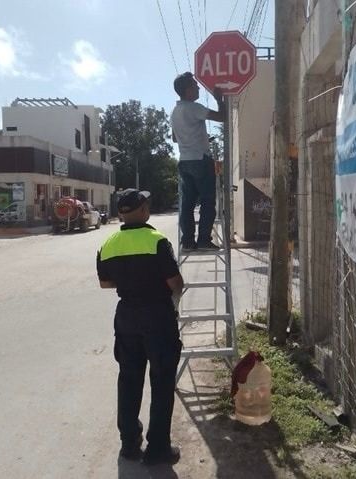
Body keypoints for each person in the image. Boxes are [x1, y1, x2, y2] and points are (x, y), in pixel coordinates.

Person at [96, 188, 183, 465]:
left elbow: (105, 283)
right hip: (157, 315)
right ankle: (158, 448)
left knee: (129, 379)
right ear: (143, 210)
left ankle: (129, 443)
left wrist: (130, 282)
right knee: (162, 379)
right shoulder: (156, 240)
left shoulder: (108, 243)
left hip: (126, 316)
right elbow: (175, 283)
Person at [171, 71, 225, 251]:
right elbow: (222, 117)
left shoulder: (175, 111)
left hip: (184, 162)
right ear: (187, 91)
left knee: (187, 204)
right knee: (208, 201)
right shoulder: (193, 107)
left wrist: (194, 138)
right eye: (195, 85)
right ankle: (203, 240)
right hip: (201, 160)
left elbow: (174, 138)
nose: (198, 87)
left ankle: (187, 242)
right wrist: (219, 99)